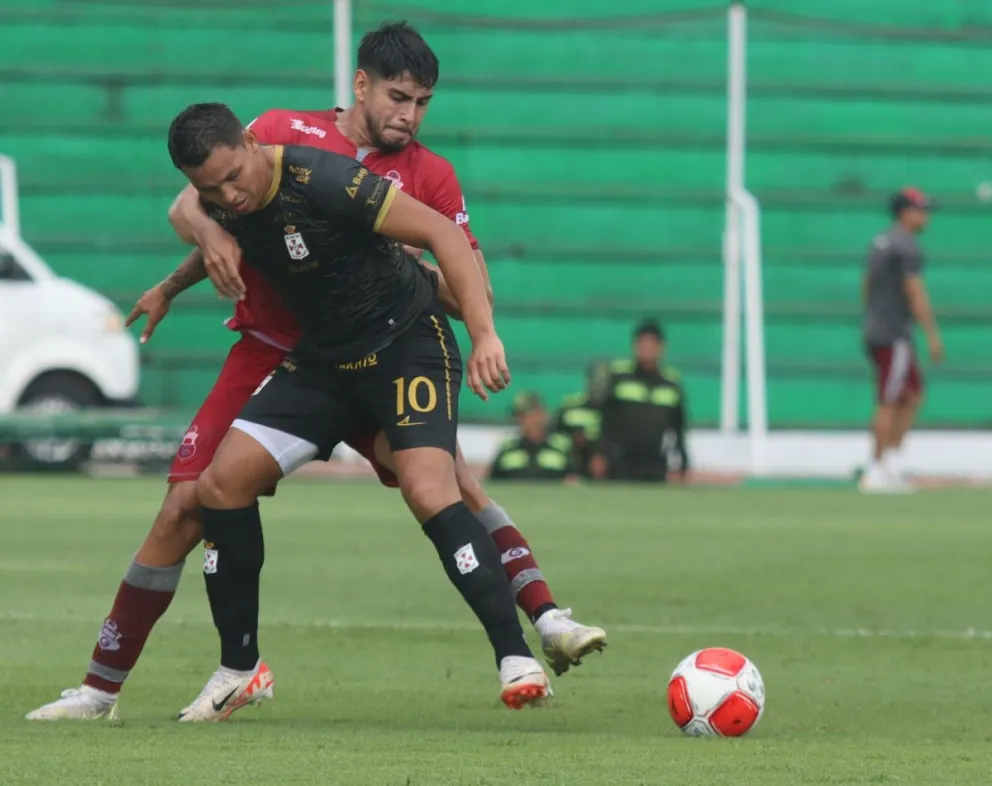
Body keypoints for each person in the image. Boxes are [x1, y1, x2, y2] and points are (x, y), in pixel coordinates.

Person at [26, 23, 604, 723]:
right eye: (398, 98)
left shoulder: (418, 175)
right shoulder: (274, 137)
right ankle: (112, 687)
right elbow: (196, 202)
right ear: (361, 84)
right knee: (193, 502)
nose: (409, 115)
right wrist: (200, 251)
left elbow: (461, 272)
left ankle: (542, 621)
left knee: (444, 486)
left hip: (387, 347)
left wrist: (438, 293)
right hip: (288, 352)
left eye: (421, 103)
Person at [861, 187, 942, 493]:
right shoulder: (906, 247)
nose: (925, 217)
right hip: (894, 334)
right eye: (920, 210)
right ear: (905, 213)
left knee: (912, 395)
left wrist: (872, 315)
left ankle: (891, 463)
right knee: (890, 399)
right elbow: (915, 291)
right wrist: (931, 334)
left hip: (880, 330)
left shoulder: (880, 242)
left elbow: (867, 282)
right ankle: (875, 468)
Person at [589, 319, 689, 483]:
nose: (646, 349)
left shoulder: (671, 385)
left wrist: (681, 464)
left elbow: (678, 428)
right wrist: (598, 453)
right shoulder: (618, 377)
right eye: (642, 343)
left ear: (661, 347)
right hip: (620, 462)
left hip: (655, 463)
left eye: (651, 344)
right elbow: (601, 418)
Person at [489, 392, 574, 481]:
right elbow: (493, 483)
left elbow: (573, 480)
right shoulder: (507, 449)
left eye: (526, 415)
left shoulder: (562, 447)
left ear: (542, 414)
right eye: (518, 416)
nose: (522, 420)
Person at [553, 362, 610, 478]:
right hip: (574, 463)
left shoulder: (617, 409)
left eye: (602, 382)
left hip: (610, 464)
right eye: (595, 381)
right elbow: (555, 434)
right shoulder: (571, 407)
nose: (598, 386)